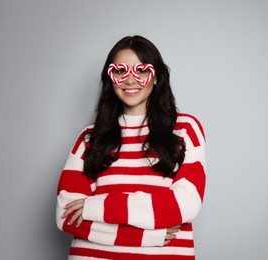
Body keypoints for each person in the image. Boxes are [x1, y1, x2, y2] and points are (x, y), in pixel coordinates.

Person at [56, 35, 206, 260]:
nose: (130, 80)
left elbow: (183, 205)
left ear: (155, 77)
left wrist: (93, 206)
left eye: (141, 70)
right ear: (110, 78)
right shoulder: (89, 137)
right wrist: (147, 237)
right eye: (120, 71)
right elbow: (65, 216)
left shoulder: (185, 129)